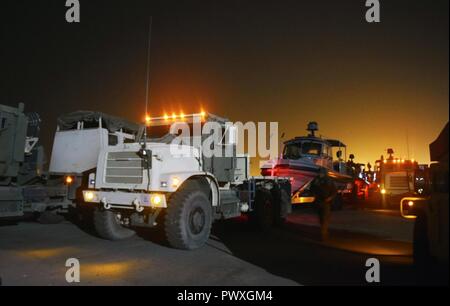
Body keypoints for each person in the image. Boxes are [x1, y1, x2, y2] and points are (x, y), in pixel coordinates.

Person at [310, 167, 338, 241]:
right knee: (321, 219)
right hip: (319, 201)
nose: (320, 174)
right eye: (319, 173)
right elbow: (311, 187)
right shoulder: (316, 180)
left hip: (326, 202)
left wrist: (330, 198)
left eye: (321, 173)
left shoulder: (329, 180)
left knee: (325, 218)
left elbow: (334, 191)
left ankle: (323, 235)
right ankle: (324, 233)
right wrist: (313, 194)